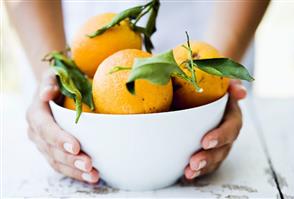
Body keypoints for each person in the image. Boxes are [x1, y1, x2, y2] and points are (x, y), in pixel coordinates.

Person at [5, 1, 269, 183]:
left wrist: (218, 88)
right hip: (74, 46)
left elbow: (212, 75)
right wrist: (54, 71)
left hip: (203, 35)